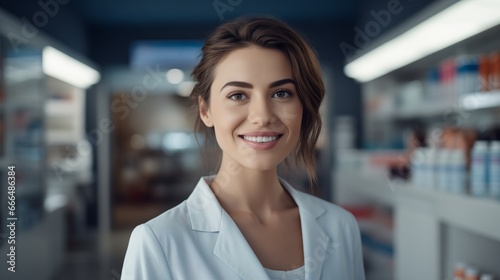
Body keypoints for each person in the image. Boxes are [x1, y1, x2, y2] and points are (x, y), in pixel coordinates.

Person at [121, 16, 365, 280]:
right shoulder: (158, 241)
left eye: (281, 93)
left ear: (304, 107)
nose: (262, 116)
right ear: (206, 110)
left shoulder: (340, 227)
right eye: (238, 95)